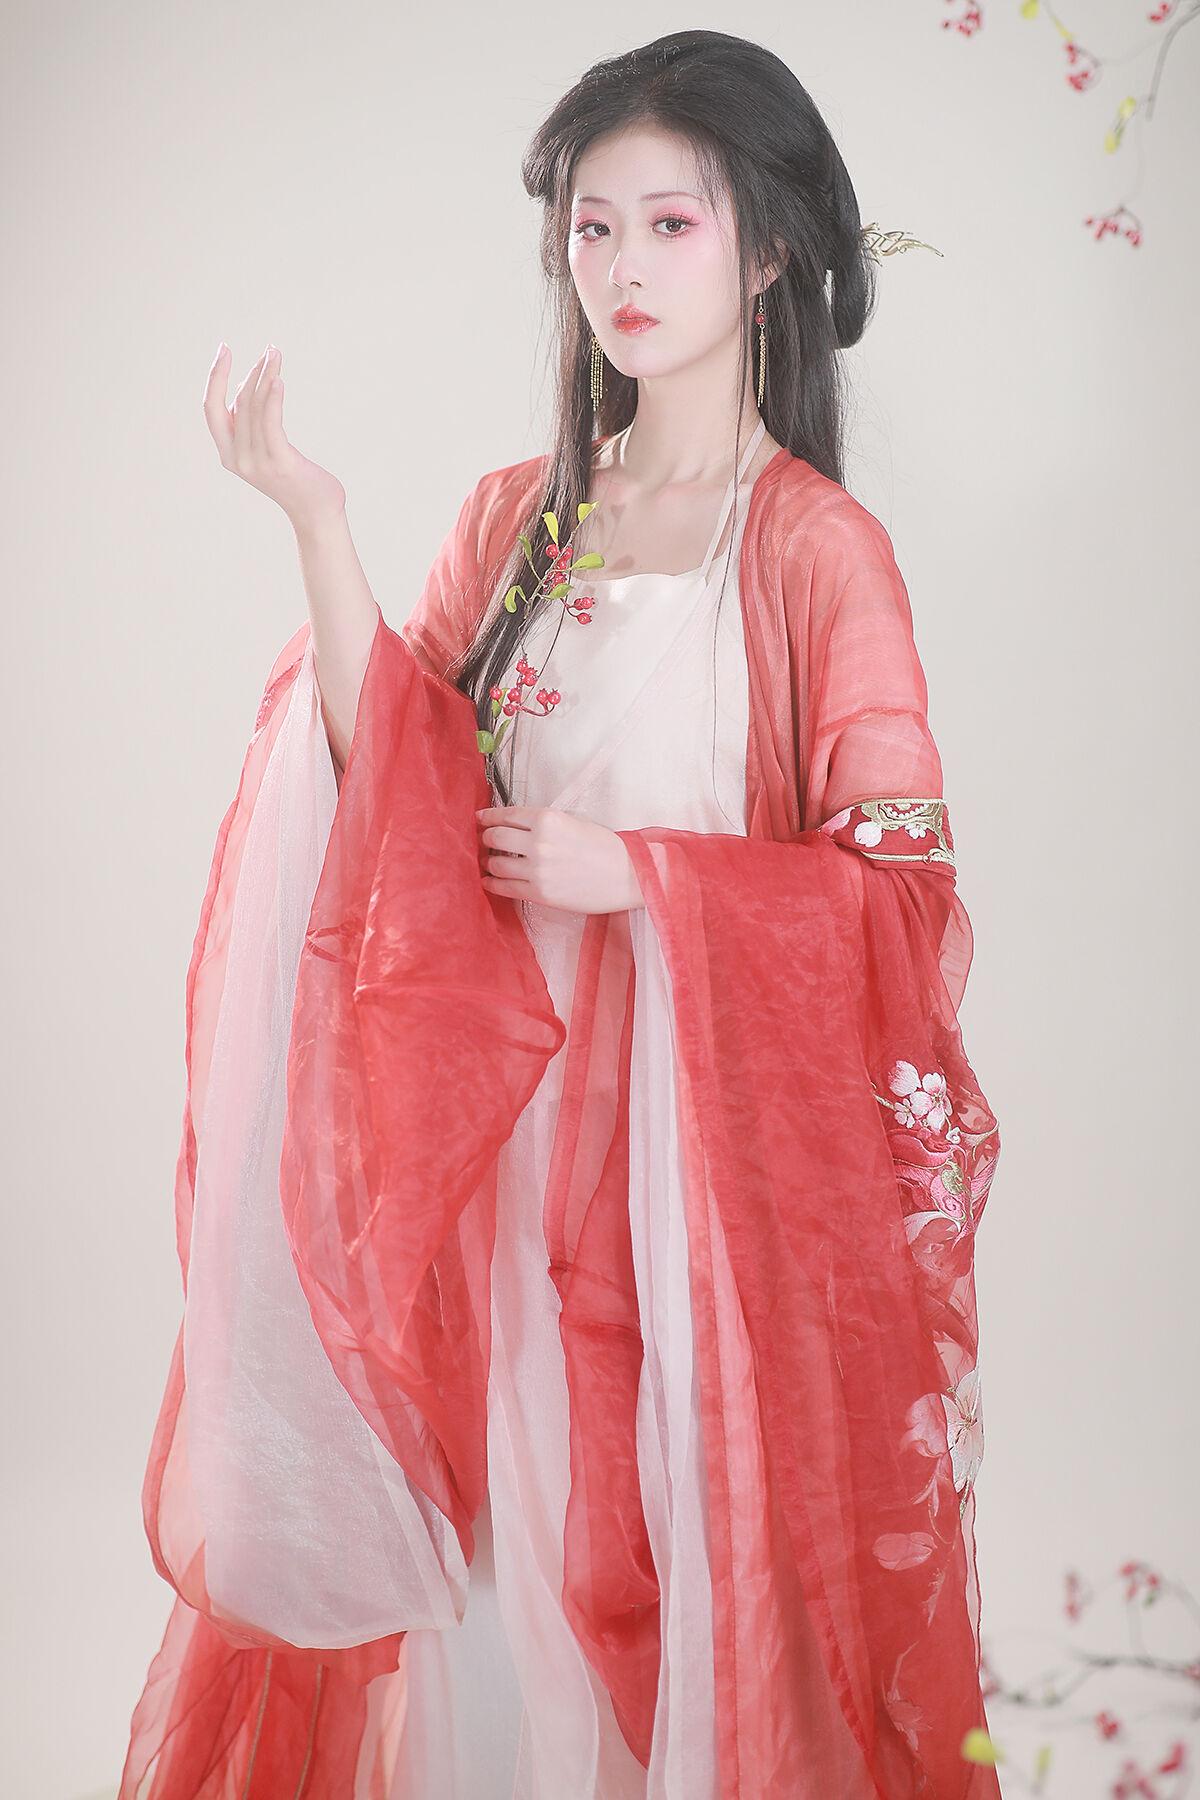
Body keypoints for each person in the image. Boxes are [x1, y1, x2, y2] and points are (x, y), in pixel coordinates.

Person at [119, 29, 1002, 1800]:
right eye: (593, 228)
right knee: (505, 1550)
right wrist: (318, 525)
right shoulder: (523, 523)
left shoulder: (813, 551)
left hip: (705, 1180)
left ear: (769, 252)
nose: (622, 269)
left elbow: (902, 896)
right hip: (502, 1135)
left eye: (671, 224)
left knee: (680, 1541)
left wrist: (646, 877)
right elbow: (399, 783)